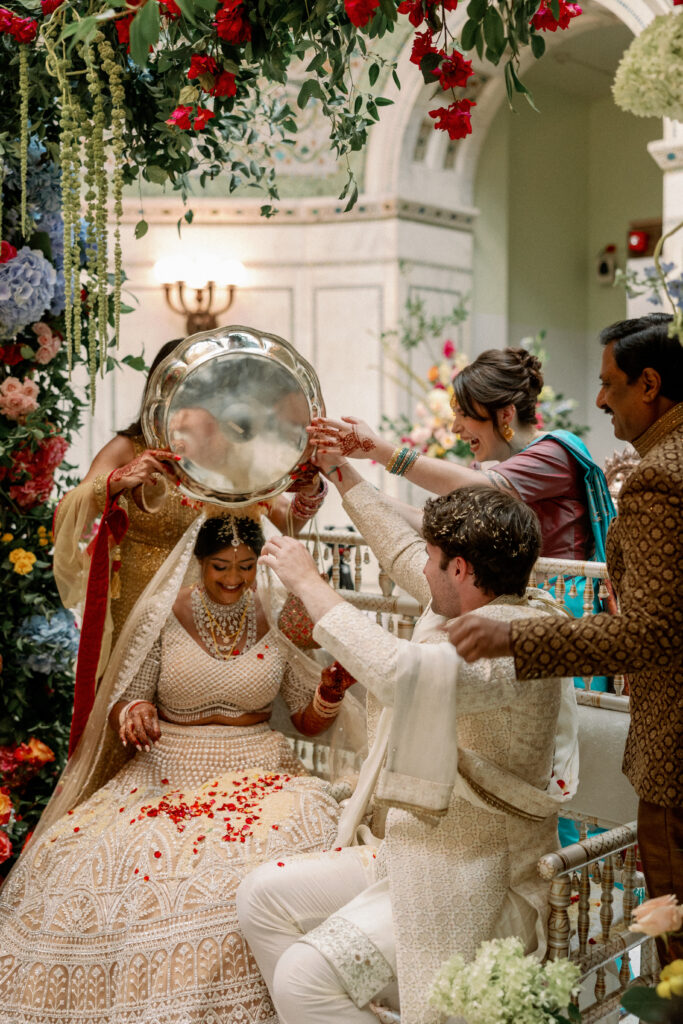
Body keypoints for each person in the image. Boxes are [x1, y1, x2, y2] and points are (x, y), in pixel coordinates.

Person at [0, 512, 361, 1023]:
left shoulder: (276, 617)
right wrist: (134, 712)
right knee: (122, 878)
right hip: (166, 774)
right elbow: (125, 696)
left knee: (253, 879)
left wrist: (328, 694)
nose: (233, 578)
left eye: (245, 566)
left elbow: (307, 722)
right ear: (198, 563)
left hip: (262, 774)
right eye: (220, 567)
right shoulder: (164, 615)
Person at [237, 486, 579, 1024]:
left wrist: (309, 582)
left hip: (478, 875)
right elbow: (400, 550)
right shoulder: (471, 600)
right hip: (408, 848)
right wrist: (343, 472)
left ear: (461, 569)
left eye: (432, 559)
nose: (420, 567)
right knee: (262, 896)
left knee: (304, 975)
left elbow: (403, 674)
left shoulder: (520, 643)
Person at [447, 314, 683, 958]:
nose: (600, 398)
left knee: (676, 946)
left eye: (610, 384)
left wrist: (515, 641)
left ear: (651, 384)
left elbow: (653, 629)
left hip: (675, 748)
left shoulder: (661, 474)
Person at [53, 337, 328, 752]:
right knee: (132, 709)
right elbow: (70, 510)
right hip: (138, 597)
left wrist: (308, 490)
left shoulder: (229, 450)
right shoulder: (132, 447)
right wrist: (119, 480)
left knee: (207, 705)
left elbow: (284, 517)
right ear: (162, 391)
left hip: (214, 597)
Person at [309, 346, 614, 564]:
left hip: (564, 608)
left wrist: (378, 448)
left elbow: (480, 490)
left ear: (506, 414)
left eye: (464, 415)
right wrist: (343, 474)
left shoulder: (555, 452)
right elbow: (429, 520)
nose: (455, 428)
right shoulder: (507, 469)